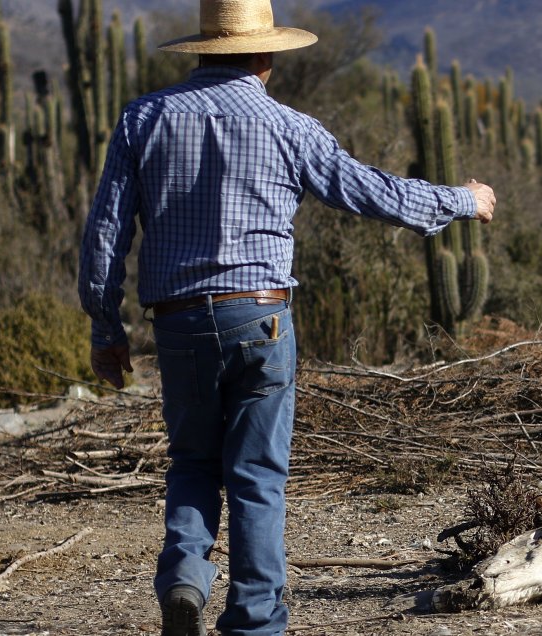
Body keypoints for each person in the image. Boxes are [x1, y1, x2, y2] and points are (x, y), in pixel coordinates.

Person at [76, 1, 496, 634]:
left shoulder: (144, 119)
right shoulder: (290, 127)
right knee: (257, 476)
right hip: (262, 319)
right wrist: (461, 200)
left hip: (179, 322)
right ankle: (253, 621)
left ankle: (185, 578)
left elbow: (105, 235)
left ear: (202, 50)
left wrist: (105, 331)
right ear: (266, 56)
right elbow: (375, 193)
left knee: (192, 460)